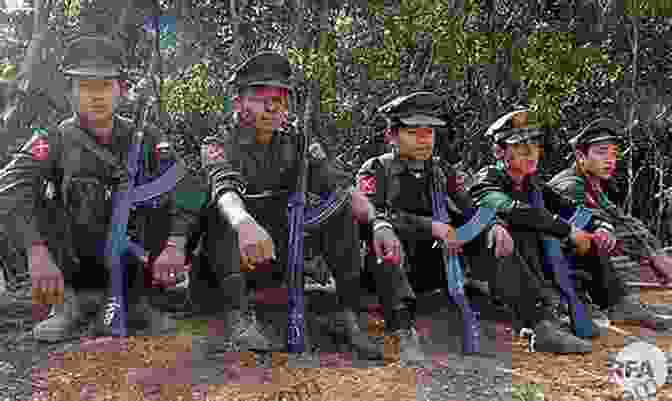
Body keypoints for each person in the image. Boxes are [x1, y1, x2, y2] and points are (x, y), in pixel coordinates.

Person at [189, 51, 382, 358]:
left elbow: (337, 182)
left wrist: (379, 223)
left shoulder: (298, 141)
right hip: (229, 262)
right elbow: (223, 186)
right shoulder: (217, 143)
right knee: (222, 210)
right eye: (259, 96)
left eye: (279, 97)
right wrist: (244, 223)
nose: (271, 106)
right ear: (237, 103)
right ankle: (239, 319)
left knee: (339, 208)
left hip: (282, 252)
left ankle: (349, 317)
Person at [0, 36, 190, 342]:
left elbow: (189, 187)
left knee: (163, 193)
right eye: (86, 87)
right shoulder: (52, 139)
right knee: (29, 193)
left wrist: (175, 245)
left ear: (121, 91)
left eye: (105, 86)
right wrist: (35, 251)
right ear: (70, 94)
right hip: (74, 266)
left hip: (135, 264)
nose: (96, 96)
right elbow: (8, 186)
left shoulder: (149, 136)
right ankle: (70, 305)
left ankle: (137, 301)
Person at [355, 92, 515, 364]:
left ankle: (533, 315)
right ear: (392, 136)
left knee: (492, 233)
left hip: (434, 263)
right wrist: (430, 226)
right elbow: (372, 217)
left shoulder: (442, 170)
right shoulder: (376, 169)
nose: (423, 139)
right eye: (413, 132)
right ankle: (403, 330)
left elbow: (470, 207)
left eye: (428, 132)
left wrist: (495, 224)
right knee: (385, 240)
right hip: (390, 267)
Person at [469, 108, 599, 353]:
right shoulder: (485, 181)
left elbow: (569, 207)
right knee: (522, 226)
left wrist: (599, 226)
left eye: (534, 144)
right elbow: (514, 210)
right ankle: (541, 325)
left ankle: (613, 300)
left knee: (581, 233)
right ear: (499, 152)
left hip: (526, 272)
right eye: (519, 146)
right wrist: (566, 229)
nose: (531, 152)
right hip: (487, 272)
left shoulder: (532, 184)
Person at [548, 118, 672, 330]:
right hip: (548, 268)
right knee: (597, 235)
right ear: (580, 156)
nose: (610, 160)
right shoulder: (569, 186)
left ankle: (613, 301)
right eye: (601, 152)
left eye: (614, 154)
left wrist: (656, 255)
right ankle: (610, 303)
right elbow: (603, 225)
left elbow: (626, 222)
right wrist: (655, 258)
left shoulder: (592, 185)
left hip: (568, 264)